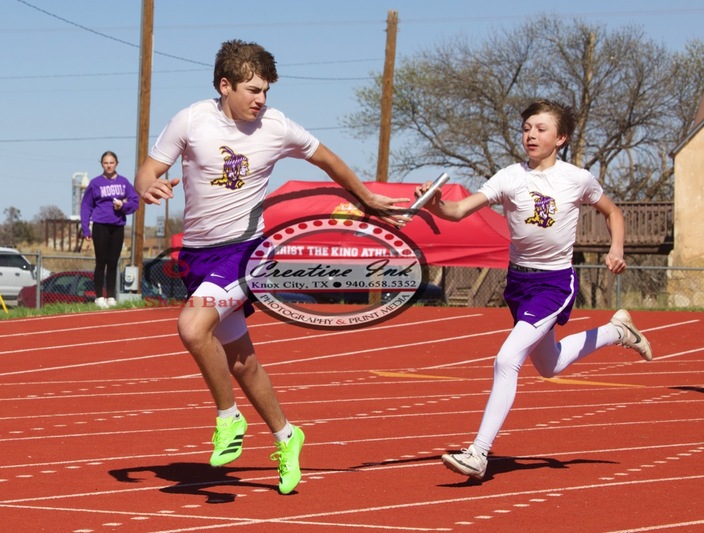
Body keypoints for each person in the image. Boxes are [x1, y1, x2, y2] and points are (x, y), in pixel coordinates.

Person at [134, 39, 409, 494]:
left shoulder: (277, 126)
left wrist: (367, 198)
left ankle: (228, 418)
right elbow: (147, 171)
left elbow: (328, 159)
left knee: (191, 327)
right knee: (241, 363)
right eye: (253, 90)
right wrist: (148, 187)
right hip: (199, 255)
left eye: (266, 92)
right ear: (225, 85)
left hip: (248, 252)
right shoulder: (189, 120)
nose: (262, 100)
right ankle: (287, 435)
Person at [413, 99, 653, 481]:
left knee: (507, 359)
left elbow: (613, 212)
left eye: (541, 129)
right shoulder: (509, 177)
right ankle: (617, 331)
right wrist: (436, 204)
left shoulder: (577, 179)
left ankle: (478, 453)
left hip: (553, 282)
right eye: (527, 127)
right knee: (550, 364)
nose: (531, 134)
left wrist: (616, 248)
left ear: (561, 138)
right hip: (519, 282)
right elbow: (458, 212)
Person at [80, 151, 139, 308]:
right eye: (106, 163)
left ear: (116, 164)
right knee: (101, 261)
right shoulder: (95, 183)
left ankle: (111, 296)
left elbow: (135, 202)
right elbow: (86, 206)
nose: (109, 165)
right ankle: (99, 297)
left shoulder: (124, 182)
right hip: (100, 225)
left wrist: (123, 205)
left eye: (111, 162)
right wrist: (86, 229)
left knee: (113, 262)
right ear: (102, 164)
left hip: (118, 225)